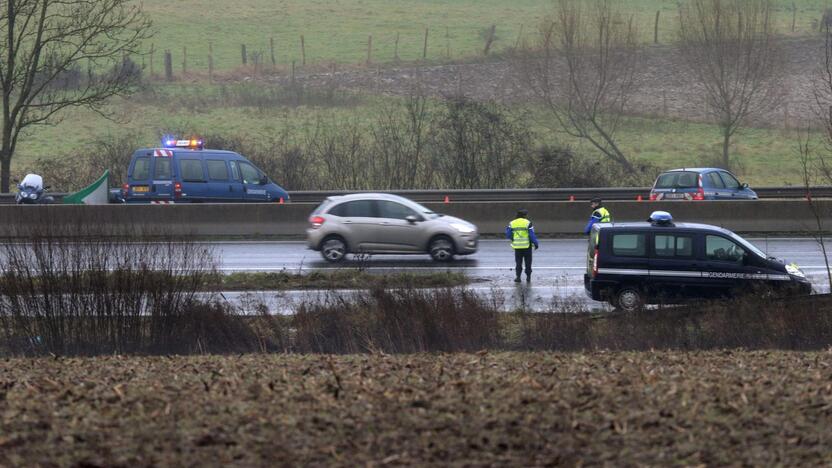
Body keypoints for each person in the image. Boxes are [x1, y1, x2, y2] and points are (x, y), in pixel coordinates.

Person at [506, 208, 539, 283]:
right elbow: (531, 235)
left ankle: (518, 277)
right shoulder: (528, 223)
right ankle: (528, 277)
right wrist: (536, 243)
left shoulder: (512, 223)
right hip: (527, 246)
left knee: (518, 263)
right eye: (526, 214)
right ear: (524, 215)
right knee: (528, 262)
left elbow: (508, 234)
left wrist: (513, 239)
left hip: (517, 246)